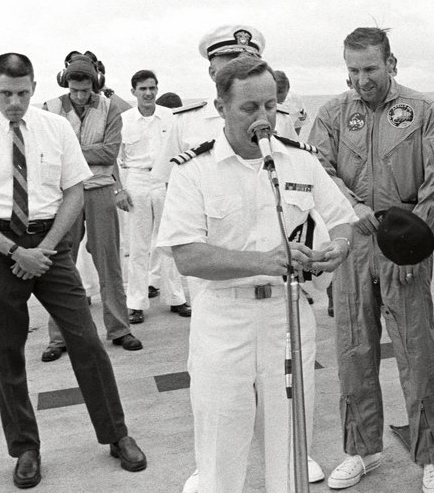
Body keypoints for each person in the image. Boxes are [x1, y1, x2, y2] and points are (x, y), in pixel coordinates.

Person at [158, 56, 355, 493]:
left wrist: (338, 248)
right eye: (249, 107)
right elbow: (188, 256)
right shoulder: (194, 170)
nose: (263, 117)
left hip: (288, 315)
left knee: (291, 446)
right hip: (225, 319)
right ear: (220, 107)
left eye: (270, 104)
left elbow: (342, 219)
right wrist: (263, 261)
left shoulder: (299, 159)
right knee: (221, 449)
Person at [0, 53, 146, 490]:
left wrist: (46, 248)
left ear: (35, 88)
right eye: (5, 94)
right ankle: (25, 448)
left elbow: (75, 191)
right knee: (6, 351)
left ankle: (116, 434)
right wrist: (15, 251)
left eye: (22, 93)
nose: (14, 102)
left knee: (86, 341)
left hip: (50, 242)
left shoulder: (55, 128)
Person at [308, 27, 434, 493]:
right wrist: (352, 208)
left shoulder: (423, 111)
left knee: (417, 353)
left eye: (370, 68)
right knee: (353, 350)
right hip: (352, 244)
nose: (361, 79)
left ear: (391, 63)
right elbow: (318, 170)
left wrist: (413, 243)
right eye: (353, 70)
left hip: (403, 242)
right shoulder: (332, 114)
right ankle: (362, 448)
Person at [40, 51, 139, 359]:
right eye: (75, 90)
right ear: (65, 84)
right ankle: (59, 337)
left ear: (95, 85)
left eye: (86, 90)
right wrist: (87, 151)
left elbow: (110, 153)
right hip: (64, 194)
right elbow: (47, 153)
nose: (80, 96)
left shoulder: (110, 108)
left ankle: (120, 329)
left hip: (100, 190)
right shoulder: (50, 108)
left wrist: (70, 152)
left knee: (109, 262)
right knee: (60, 264)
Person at [151, 24, 295, 187]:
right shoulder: (184, 122)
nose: (242, 69)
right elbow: (170, 181)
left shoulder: (281, 119)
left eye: (249, 62)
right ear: (212, 73)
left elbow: (296, 172)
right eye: (232, 63)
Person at [120, 69, 188, 324]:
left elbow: (182, 150)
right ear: (133, 92)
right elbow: (116, 157)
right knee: (138, 246)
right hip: (136, 180)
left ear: (157, 89)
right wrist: (118, 189)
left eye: (152, 88)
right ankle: (136, 303)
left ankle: (176, 298)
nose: (148, 93)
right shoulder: (124, 120)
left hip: (165, 180)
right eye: (143, 89)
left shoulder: (170, 117)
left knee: (170, 241)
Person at [273, 70, 308, 135]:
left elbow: (299, 123)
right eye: (273, 91)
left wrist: (292, 139)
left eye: (280, 92)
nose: (276, 95)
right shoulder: (263, 101)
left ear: (288, 89)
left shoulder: (295, 100)